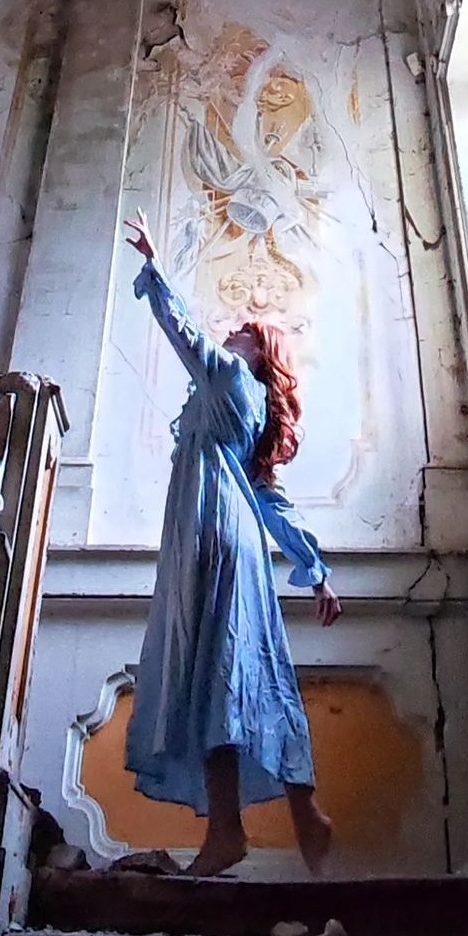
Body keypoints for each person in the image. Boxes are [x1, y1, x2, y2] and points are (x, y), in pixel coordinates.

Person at [122, 208, 341, 878]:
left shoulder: (229, 379)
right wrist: (314, 569)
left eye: (246, 331)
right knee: (246, 674)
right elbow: (270, 501)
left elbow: (184, 333)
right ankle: (302, 814)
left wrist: (156, 266)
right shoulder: (245, 411)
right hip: (235, 539)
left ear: (261, 354)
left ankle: (226, 832)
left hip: (211, 537)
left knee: (211, 675)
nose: (233, 331)